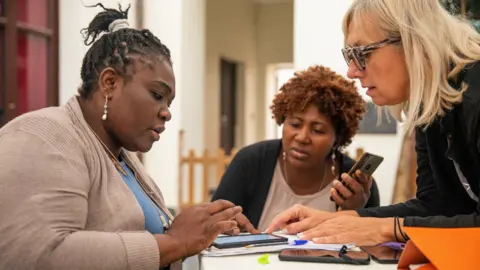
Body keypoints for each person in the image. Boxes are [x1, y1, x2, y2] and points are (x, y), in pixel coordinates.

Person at [0, 4, 254, 270]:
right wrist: (176, 243)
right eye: (157, 95)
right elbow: (38, 256)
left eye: (169, 102)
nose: (166, 113)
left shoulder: (123, 158)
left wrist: (208, 229)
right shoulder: (43, 135)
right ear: (110, 82)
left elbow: (154, 237)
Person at [265, 0, 480, 246]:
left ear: (412, 39)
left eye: (362, 53)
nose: (352, 71)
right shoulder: (430, 106)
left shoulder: (475, 95)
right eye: (349, 56)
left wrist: (386, 229)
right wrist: (347, 219)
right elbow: (436, 206)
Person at [212, 65, 380, 232]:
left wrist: (353, 212)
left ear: (338, 138)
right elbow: (213, 228)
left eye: (317, 130)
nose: (302, 137)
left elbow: (369, 252)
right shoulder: (251, 162)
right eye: (295, 124)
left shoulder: (356, 186)